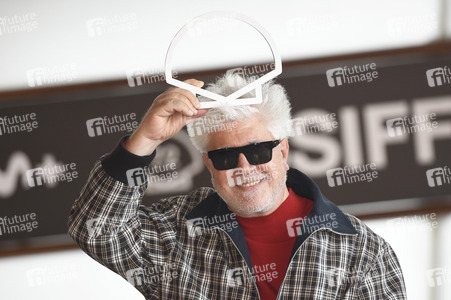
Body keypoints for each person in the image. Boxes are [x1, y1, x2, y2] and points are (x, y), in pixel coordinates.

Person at [68, 74, 407, 299]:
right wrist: (145, 140)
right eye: (226, 157)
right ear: (209, 164)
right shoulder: (176, 232)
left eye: (258, 151)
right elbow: (95, 230)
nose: (245, 167)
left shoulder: (362, 253)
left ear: (283, 151)